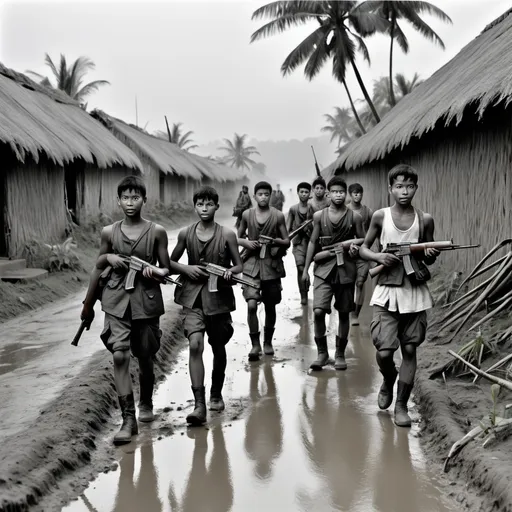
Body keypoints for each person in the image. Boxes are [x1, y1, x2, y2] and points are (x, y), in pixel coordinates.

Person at [80, 175, 170, 445]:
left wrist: (154, 270)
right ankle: (128, 419)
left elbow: (166, 269)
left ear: (144, 199)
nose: (130, 202)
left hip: (146, 300)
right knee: (120, 356)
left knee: (145, 357)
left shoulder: (157, 231)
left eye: (135, 197)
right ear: (118, 201)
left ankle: (146, 402)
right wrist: (88, 304)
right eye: (125, 198)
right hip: (116, 301)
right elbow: (98, 265)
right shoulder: (109, 232)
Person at [359, 164, 440, 427]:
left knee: (409, 348)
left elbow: (428, 253)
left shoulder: (424, 219)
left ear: (416, 187)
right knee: (384, 351)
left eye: (409, 186)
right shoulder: (381, 217)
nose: (404, 191)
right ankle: (388, 378)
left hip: (413, 291)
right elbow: (363, 248)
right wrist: (378, 256)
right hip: (386, 291)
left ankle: (401, 405)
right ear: (390, 189)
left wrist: (431, 254)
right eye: (399, 186)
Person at [171, 186, 243, 425]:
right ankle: (199, 404)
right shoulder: (185, 234)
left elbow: (239, 266)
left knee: (218, 345)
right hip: (193, 298)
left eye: (209, 204)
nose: (204, 208)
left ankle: (216, 392)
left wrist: (227, 273)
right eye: (200, 204)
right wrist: (187, 269)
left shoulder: (228, 235)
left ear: (216, 207)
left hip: (219, 298)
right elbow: (170, 262)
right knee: (195, 344)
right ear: (195, 207)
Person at [302, 176, 364, 371]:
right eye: (334, 192)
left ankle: (339, 354)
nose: (338, 195)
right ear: (328, 194)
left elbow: (364, 240)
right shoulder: (319, 216)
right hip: (323, 269)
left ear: (345, 194)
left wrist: (354, 248)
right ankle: (322, 353)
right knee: (318, 311)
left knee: (344, 313)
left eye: (341, 192)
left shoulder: (355, 217)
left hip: (346, 269)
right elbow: (312, 242)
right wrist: (305, 270)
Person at [238, 181, 290, 361]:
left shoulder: (277, 216)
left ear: (271, 196)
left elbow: (287, 240)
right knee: (251, 304)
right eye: (260, 194)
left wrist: (273, 241)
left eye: (266, 194)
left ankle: (267, 341)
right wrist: (247, 243)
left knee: (270, 305)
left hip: (271, 265)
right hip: (251, 264)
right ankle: (254, 344)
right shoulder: (247, 214)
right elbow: (238, 237)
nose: (263, 197)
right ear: (254, 196)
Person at [347, 183, 374, 325]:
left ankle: (355, 314)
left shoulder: (367, 212)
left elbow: (374, 229)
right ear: (350, 194)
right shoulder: (345, 211)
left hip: (362, 251)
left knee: (360, 282)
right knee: (348, 283)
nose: (357, 196)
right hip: (347, 253)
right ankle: (348, 311)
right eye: (355, 193)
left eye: (359, 193)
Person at [286, 181, 313, 305]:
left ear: (309, 193)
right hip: (298, 243)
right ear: (297, 193)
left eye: (306, 192)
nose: (304, 194)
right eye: (301, 192)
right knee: (300, 267)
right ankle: (303, 294)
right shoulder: (293, 209)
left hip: (311, 242)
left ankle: (309, 286)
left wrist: (309, 227)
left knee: (310, 269)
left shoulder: (312, 209)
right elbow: (288, 228)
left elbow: (317, 226)